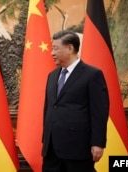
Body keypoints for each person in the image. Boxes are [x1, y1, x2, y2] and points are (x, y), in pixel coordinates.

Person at [42, 30, 109, 172]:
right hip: (51, 150)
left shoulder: (92, 75)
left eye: (55, 48)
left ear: (70, 48)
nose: (51, 53)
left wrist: (98, 143)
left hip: (78, 149)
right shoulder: (52, 76)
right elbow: (49, 108)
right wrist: (46, 139)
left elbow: (99, 112)